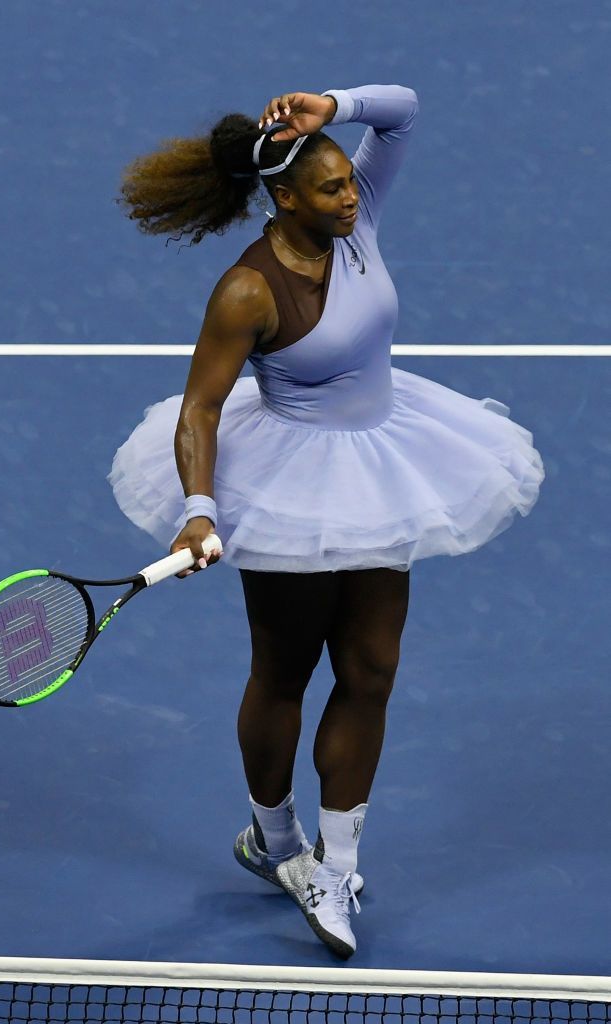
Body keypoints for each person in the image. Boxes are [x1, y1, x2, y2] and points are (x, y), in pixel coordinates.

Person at [109, 84, 545, 958]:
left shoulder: (360, 219)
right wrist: (198, 510)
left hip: (387, 464)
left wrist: (331, 105)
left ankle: (334, 864)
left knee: (372, 668)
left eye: (351, 183)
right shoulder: (246, 291)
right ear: (285, 200)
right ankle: (273, 840)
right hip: (289, 481)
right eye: (332, 189)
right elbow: (200, 410)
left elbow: (407, 109)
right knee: (284, 669)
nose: (352, 196)